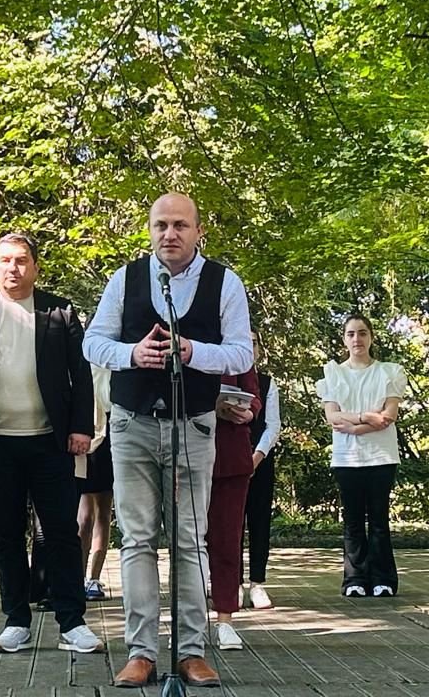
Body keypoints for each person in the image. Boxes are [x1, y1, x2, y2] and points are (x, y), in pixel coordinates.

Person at [83, 193, 254, 689]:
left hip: (194, 425)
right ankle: (141, 652)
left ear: (199, 231)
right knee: (137, 540)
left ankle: (191, 652)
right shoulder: (126, 278)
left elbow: (241, 354)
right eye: (161, 225)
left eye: (180, 225)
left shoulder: (224, 282)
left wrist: (194, 351)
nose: (169, 234)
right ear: (150, 230)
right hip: (132, 424)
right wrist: (132, 354)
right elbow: (92, 342)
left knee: (189, 541)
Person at [0, 232, 101, 655]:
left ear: (35, 266)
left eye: (21, 260)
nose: (13, 268)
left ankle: (72, 622)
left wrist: (81, 427)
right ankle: (16, 621)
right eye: (5, 260)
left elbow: (80, 374)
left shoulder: (59, 312)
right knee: (6, 533)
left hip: (51, 442)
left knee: (62, 532)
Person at [316, 314, 406, 600]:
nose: (357, 339)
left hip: (381, 456)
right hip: (347, 458)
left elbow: (388, 415)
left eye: (363, 333)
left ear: (371, 337)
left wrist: (355, 426)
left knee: (379, 520)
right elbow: (332, 416)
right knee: (352, 520)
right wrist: (367, 417)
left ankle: (383, 580)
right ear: (344, 339)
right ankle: (354, 578)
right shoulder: (334, 374)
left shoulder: (388, 372)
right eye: (351, 334)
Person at [207, 368, 261, 650]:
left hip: (231, 455)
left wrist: (248, 412)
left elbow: (254, 396)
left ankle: (225, 619)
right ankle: (188, 623)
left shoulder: (237, 349)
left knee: (227, 541)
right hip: (185, 454)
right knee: (185, 546)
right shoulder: (178, 346)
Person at [243, 329, 281, 610]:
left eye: (253, 343)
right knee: (229, 524)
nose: (249, 348)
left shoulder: (267, 383)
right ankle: (230, 583)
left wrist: (255, 458)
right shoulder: (222, 379)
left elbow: (273, 425)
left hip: (260, 462)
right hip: (227, 461)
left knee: (259, 522)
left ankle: (257, 582)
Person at [78, 362, 114, 602]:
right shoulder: (81, 357)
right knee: (84, 516)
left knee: (104, 510)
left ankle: (94, 578)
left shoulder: (117, 355)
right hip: (86, 428)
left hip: (112, 425)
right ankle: (78, 577)